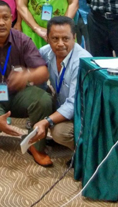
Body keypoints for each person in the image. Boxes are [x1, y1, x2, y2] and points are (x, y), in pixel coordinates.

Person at [0, 0, 53, 167]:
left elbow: (43, 72)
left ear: (12, 18)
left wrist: (27, 75)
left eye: (5, 18)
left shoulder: (23, 40)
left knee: (44, 100)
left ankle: (35, 145)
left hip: (18, 94)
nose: (1, 22)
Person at [30, 17, 92, 152]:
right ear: (47, 38)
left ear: (74, 37)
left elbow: (74, 104)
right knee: (40, 99)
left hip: (83, 113)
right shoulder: (45, 52)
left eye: (65, 39)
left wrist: (46, 121)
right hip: (61, 102)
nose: (60, 44)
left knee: (60, 132)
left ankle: (85, 153)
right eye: (55, 39)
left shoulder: (82, 62)